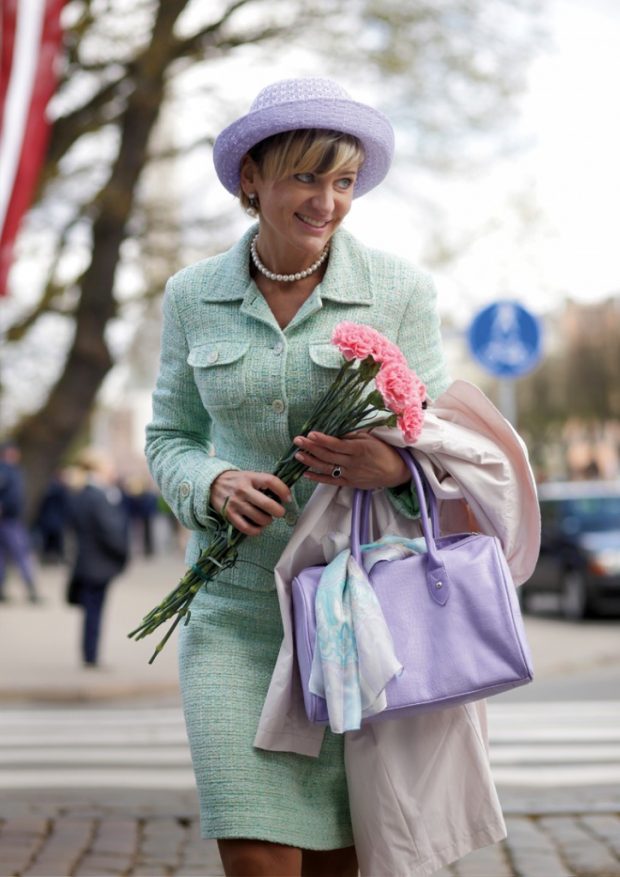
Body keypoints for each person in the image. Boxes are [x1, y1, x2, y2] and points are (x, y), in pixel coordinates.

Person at [145, 78, 534, 877]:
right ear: (252, 177)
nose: (327, 201)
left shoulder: (399, 290)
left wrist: (391, 463)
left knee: (340, 864)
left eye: (343, 180)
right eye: (305, 177)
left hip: (358, 623)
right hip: (234, 616)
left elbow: (438, 440)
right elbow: (169, 436)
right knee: (255, 858)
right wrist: (212, 482)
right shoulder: (191, 296)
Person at [66, 448, 130, 667]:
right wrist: (124, 553)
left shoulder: (85, 493)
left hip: (89, 561)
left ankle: (89, 655)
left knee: (91, 612)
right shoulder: (97, 495)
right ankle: (91, 657)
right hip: (98, 564)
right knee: (94, 613)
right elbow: (110, 530)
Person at [0, 441, 39, 603]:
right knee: (21, 554)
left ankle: (28, 589)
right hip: (8, 520)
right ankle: (30, 589)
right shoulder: (4, 470)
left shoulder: (14, 470)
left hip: (12, 518)